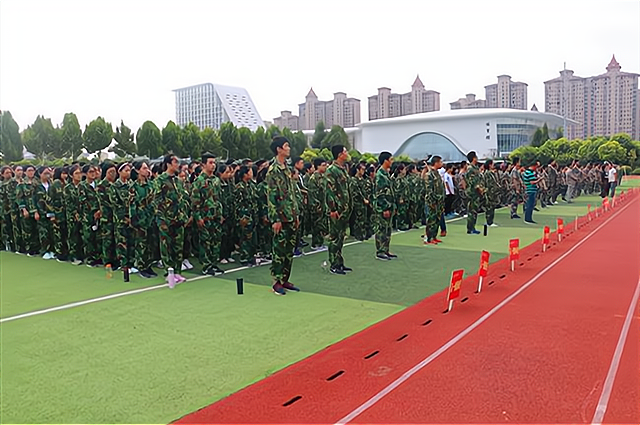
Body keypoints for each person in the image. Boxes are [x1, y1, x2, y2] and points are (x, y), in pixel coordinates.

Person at [265, 136, 300, 295]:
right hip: (281, 216)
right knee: (279, 250)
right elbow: (271, 197)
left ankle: (285, 279)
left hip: (291, 215)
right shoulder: (273, 170)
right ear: (278, 149)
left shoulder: (287, 168)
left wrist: (296, 213)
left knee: (289, 250)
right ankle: (276, 281)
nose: (289, 148)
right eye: (286, 146)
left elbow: (292, 193)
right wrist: (275, 219)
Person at [155, 154, 189, 284]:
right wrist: (161, 218)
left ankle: (178, 271)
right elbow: (156, 200)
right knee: (166, 247)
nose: (178, 164)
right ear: (168, 164)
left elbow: (183, 199)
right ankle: (168, 272)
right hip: (166, 218)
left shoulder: (178, 181)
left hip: (178, 218)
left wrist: (184, 215)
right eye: (175, 162)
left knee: (178, 247)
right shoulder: (160, 180)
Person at [191, 152, 225, 276]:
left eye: (214, 163)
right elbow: (195, 201)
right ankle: (206, 265)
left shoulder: (216, 180)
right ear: (203, 164)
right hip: (204, 216)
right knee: (205, 242)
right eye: (210, 163)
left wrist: (220, 214)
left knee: (216, 240)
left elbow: (218, 198)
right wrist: (198, 217)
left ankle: (214, 263)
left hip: (215, 215)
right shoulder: (199, 181)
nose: (213, 165)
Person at [325, 144, 352, 275]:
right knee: (335, 238)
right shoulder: (332, 170)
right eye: (345, 151)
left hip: (344, 209)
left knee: (341, 237)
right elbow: (330, 191)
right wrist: (332, 208)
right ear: (340, 154)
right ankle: (334, 264)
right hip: (337, 210)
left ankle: (340, 262)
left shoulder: (343, 169)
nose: (347, 153)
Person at [374, 152, 397, 260]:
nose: (392, 162)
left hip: (389, 205)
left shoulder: (386, 174)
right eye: (390, 159)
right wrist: (384, 208)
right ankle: (380, 251)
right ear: (385, 161)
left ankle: (386, 249)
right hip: (383, 207)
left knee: (387, 229)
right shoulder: (380, 175)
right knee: (382, 229)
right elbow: (380, 194)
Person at [307, 157, 328, 250]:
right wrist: (316, 206)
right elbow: (312, 194)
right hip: (317, 207)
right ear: (317, 166)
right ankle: (316, 244)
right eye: (323, 165)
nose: (325, 167)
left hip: (323, 205)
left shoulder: (323, 177)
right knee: (317, 225)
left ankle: (320, 242)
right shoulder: (313, 178)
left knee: (322, 225)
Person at [424, 155, 445, 245]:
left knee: (437, 219)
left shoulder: (437, 173)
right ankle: (429, 238)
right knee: (431, 220)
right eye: (440, 162)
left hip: (439, 201)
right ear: (436, 163)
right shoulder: (429, 175)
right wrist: (432, 201)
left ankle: (434, 236)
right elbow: (429, 190)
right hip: (433, 201)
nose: (442, 163)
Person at [464, 151, 485, 235]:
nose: (477, 158)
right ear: (473, 158)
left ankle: (473, 227)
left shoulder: (475, 168)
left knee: (475, 211)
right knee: (472, 211)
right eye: (476, 157)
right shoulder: (470, 168)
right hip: (472, 192)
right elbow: (472, 181)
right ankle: (470, 228)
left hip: (476, 193)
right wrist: (479, 189)